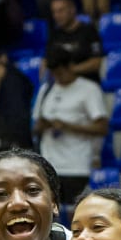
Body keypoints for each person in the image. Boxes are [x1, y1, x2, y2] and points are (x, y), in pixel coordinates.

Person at [33, 53, 108, 205]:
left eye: (60, 73)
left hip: (76, 164)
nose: (57, 77)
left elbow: (102, 127)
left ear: (70, 67)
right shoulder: (46, 89)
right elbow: (36, 126)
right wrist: (45, 125)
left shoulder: (89, 89)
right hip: (50, 164)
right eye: (53, 74)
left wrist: (67, 126)